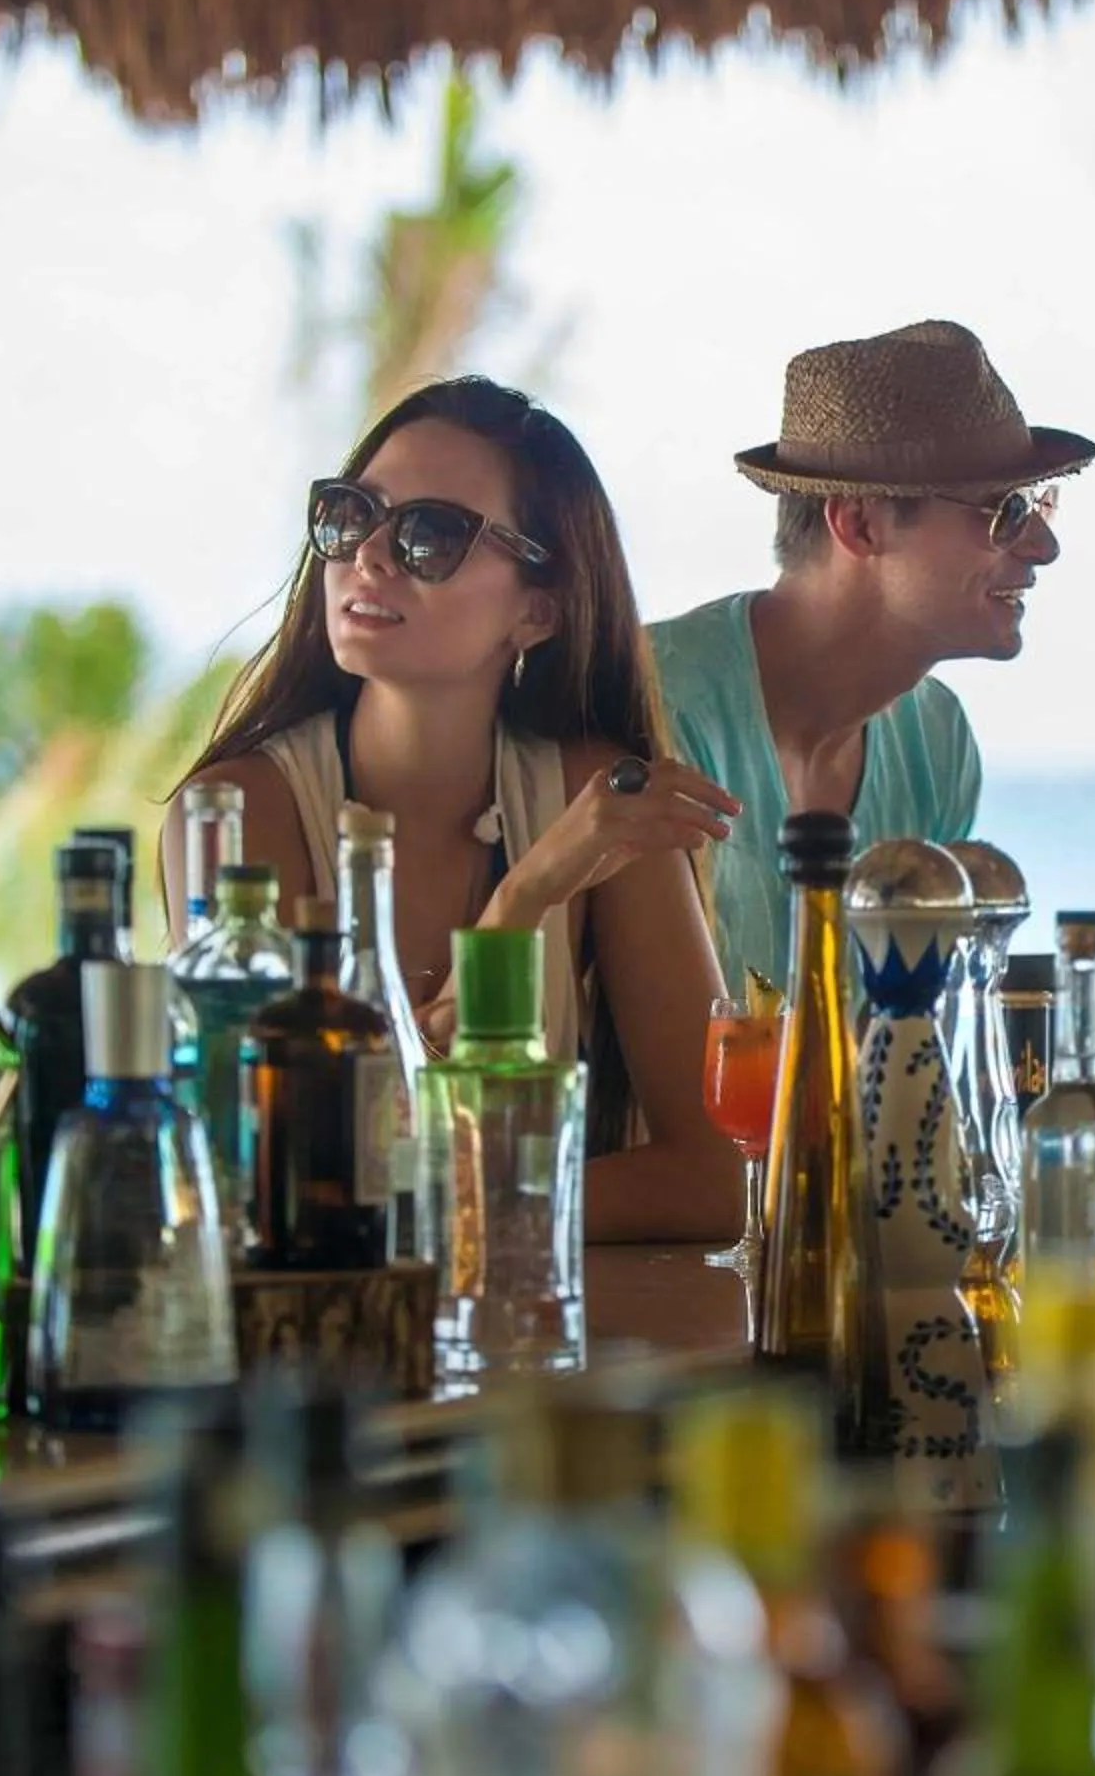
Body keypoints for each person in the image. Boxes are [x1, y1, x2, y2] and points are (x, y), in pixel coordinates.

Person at [167, 377, 741, 1244]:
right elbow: (304, 1178)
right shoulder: (237, 813)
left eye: (430, 534)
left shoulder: (598, 803)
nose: (369, 556)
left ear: (537, 609)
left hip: (540, 1348)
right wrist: (523, 902)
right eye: (351, 514)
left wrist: (456, 1205)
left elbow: (717, 1179)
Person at [651, 319, 1090, 990]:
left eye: (1035, 506)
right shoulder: (659, 703)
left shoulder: (937, 742)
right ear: (859, 524)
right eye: (1003, 509)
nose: (1041, 546)